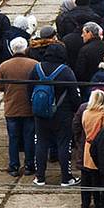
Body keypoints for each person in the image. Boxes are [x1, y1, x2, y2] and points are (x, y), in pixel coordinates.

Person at [28, 29, 80, 187]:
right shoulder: (66, 71)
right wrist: (74, 110)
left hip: (40, 112)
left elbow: (28, 90)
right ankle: (66, 178)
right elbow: (74, 94)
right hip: (62, 113)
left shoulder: (37, 68)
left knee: (41, 143)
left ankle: (40, 177)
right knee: (64, 144)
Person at [0, 37, 38, 177]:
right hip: (29, 107)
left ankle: (13, 166)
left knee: (13, 138)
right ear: (26, 48)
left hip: (11, 107)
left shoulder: (4, 66)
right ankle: (30, 165)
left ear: (12, 49)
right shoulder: (34, 64)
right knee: (29, 137)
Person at [78, 89, 104, 208]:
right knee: (102, 182)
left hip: (88, 149)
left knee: (92, 182)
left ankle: (96, 207)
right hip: (101, 150)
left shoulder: (85, 113)